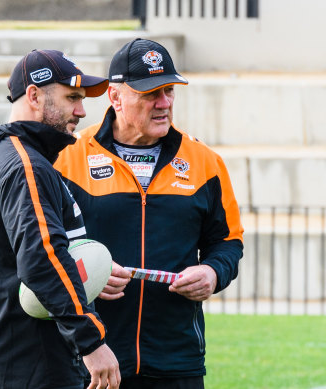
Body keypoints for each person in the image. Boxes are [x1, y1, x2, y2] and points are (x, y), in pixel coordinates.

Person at [54, 38, 244, 389]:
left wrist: (213, 272)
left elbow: (228, 242)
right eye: (149, 93)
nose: (164, 103)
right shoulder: (66, 158)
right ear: (115, 97)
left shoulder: (206, 162)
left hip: (177, 360)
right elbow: (46, 247)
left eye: (169, 90)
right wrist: (89, 271)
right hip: (94, 357)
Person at [0, 49, 121, 389]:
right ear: (34, 96)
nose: (82, 111)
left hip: (6, 356)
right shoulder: (24, 165)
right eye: (72, 98)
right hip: (34, 360)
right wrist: (92, 342)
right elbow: (43, 258)